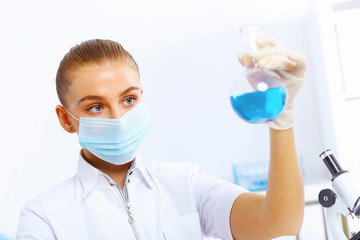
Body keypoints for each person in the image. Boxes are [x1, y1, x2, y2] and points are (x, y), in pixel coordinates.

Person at [16, 37, 306, 240]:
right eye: (96, 106)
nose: (118, 118)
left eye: (128, 99)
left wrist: (282, 120)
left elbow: (280, 221)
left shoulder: (184, 184)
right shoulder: (44, 217)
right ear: (66, 119)